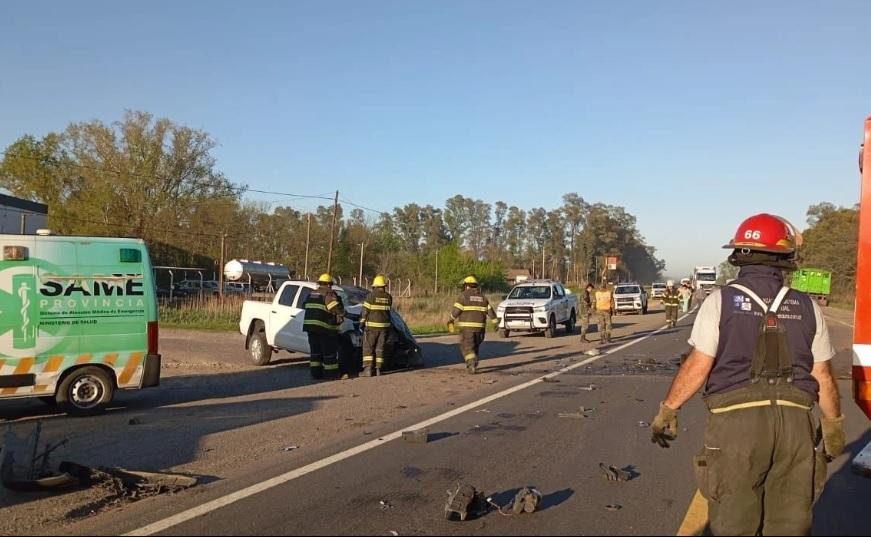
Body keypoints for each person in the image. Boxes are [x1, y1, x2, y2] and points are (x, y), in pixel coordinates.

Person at [649, 213, 845, 536]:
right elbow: (822, 374)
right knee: (789, 526)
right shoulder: (808, 307)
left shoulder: (719, 302)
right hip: (796, 428)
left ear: (740, 255)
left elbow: (699, 365)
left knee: (734, 524)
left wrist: (668, 409)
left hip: (735, 428)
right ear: (785, 258)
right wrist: (834, 425)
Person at [449, 276, 497, 374]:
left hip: (467, 328)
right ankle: (474, 361)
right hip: (480, 329)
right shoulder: (483, 297)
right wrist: (495, 323)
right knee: (475, 346)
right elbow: (490, 311)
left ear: (466, 286)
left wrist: (451, 320)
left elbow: (456, 311)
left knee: (467, 347)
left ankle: (471, 364)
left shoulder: (463, 296)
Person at [302, 273, 346, 380]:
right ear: (329, 284)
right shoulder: (329, 294)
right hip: (324, 329)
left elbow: (304, 305)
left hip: (310, 328)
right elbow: (333, 307)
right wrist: (343, 313)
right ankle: (332, 374)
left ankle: (316, 374)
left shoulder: (311, 293)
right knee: (329, 353)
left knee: (315, 352)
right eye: (330, 284)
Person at [360, 274, 393, 377]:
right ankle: (378, 369)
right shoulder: (389, 297)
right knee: (380, 348)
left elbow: (365, 311)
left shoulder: (371, 296)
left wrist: (361, 323)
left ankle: (368, 370)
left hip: (371, 328)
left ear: (375, 286)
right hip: (384, 327)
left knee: (368, 348)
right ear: (384, 286)